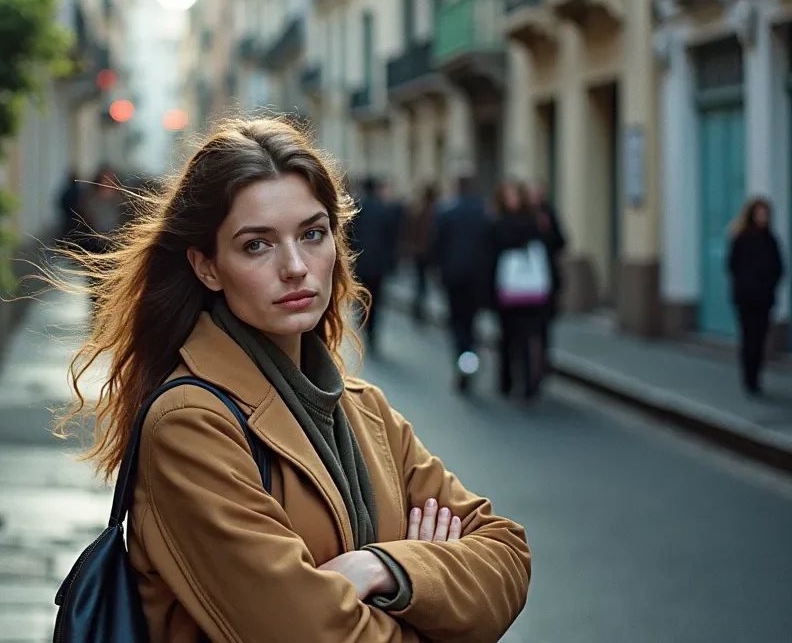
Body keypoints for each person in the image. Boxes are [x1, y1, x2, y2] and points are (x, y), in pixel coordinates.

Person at [56, 119, 531, 642]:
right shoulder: (191, 424)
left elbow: (506, 553)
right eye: (257, 245)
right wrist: (439, 600)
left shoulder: (362, 409)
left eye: (312, 234)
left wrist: (386, 570)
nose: (296, 267)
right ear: (207, 267)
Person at [431, 176, 492, 393]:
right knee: (471, 324)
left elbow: (436, 245)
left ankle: (463, 362)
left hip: (453, 276)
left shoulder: (447, 212)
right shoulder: (484, 212)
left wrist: (438, 271)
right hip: (477, 278)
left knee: (457, 325)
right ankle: (469, 360)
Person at [490, 181, 547, 402]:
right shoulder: (497, 223)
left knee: (527, 337)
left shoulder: (534, 221)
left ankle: (528, 382)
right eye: (508, 196)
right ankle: (506, 380)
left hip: (530, 292)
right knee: (506, 337)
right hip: (506, 291)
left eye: (515, 195)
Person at [728, 197, 785, 395]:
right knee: (749, 337)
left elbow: (779, 268)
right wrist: (746, 286)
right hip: (745, 298)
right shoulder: (741, 239)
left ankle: (756, 375)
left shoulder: (770, 240)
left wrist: (769, 286)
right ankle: (749, 378)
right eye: (759, 214)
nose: (762, 218)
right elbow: (732, 266)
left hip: (764, 298)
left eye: (765, 214)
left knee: (760, 338)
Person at [348, 177, 399, 351]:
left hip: (360, 261)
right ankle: (372, 330)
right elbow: (391, 238)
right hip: (378, 263)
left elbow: (348, 237)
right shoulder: (384, 209)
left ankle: (364, 325)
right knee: (376, 297)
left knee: (362, 296)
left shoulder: (355, 208)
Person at [525, 181, 567, 379]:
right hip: (523, 281)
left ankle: (542, 356)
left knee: (544, 322)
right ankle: (529, 358)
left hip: (545, 278)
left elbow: (561, 241)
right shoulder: (522, 217)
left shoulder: (549, 215)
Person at [403, 185, 440, 323]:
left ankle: (418, 307)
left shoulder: (418, 210)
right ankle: (419, 308)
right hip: (425, 252)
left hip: (419, 252)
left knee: (421, 282)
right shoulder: (434, 212)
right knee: (423, 282)